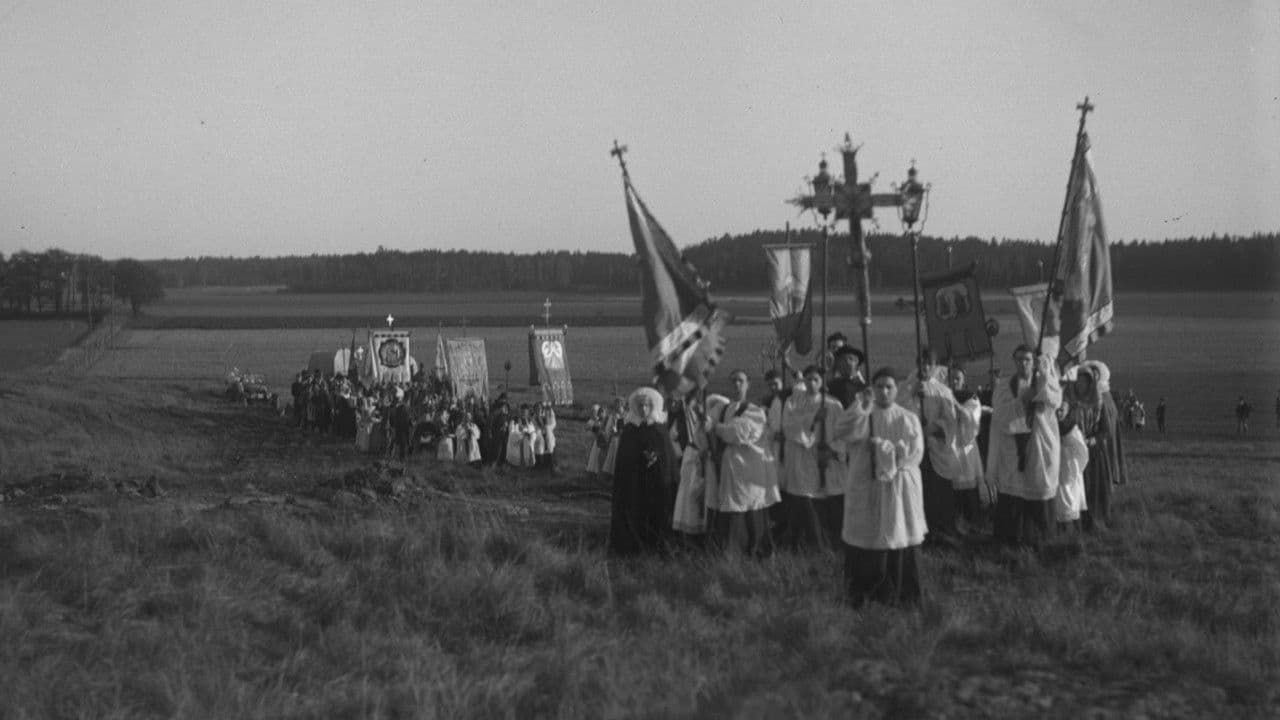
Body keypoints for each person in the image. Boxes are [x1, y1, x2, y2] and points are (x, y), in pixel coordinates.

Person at [837, 367, 926, 607]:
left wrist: (885, 450)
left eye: (889, 387)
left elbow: (914, 454)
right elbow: (842, 430)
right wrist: (861, 405)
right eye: (879, 387)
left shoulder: (907, 418)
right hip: (866, 486)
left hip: (897, 489)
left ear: (897, 389)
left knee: (896, 533)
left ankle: (899, 591)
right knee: (868, 535)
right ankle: (864, 592)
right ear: (871, 389)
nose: (884, 392)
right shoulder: (863, 414)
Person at [985, 345, 1062, 548]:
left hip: (1039, 446)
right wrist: (1022, 401)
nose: (1023, 363)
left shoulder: (1044, 383)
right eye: (1019, 359)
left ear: (1034, 362)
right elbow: (1000, 417)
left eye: (1027, 359)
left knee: (1038, 490)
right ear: (1014, 361)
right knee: (1013, 495)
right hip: (1012, 449)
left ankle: (1040, 539)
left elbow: (1055, 400)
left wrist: (1042, 379)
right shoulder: (1004, 387)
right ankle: (1010, 540)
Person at [707, 370, 781, 557]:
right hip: (729, 468)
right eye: (733, 381)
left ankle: (758, 550)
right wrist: (705, 423)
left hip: (750, 469)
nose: (736, 385)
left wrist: (715, 427)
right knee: (732, 509)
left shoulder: (755, 411)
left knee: (751, 507)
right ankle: (734, 552)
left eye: (740, 381)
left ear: (748, 384)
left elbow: (742, 433)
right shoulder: (723, 409)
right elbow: (707, 432)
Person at [780, 365, 846, 551]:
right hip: (801, 460)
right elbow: (789, 426)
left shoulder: (833, 404)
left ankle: (832, 546)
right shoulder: (793, 402)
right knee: (806, 503)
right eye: (808, 379)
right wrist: (813, 418)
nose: (811, 383)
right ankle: (808, 546)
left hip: (826, 461)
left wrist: (833, 451)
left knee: (828, 503)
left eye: (816, 379)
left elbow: (842, 433)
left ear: (822, 381)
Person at [608, 387, 680, 557]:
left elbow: (668, 459)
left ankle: (657, 544)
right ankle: (632, 544)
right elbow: (625, 460)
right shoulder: (630, 431)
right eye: (640, 405)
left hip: (656, 482)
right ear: (635, 407)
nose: (644, 409)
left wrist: (656, 458)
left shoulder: (660, 430)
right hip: (635, 482)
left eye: (647, 405)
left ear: (653, 406)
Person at [901, 349, 962, 545]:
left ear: (934, 366)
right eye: (922, 363)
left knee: (938, 493)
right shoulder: (906, 388)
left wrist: (933, 429)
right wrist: (913, 397)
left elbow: (951, 421)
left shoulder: (942, 391)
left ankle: (941, 529)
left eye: (929, 364)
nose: (925, 367)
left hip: (936, 449)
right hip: (914, 451)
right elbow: (899, 414)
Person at [1074, 361, 1126, 531]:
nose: (1082, 384)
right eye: (1079, 380)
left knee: (1096, 488)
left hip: (1095, 452)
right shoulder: (1071, 403)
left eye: (1085, 381)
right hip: (1075, 450)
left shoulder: (1099, 403)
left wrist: (1093, 440)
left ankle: (1098, 521)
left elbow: (1105, 430)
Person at [948, 365, 990, 526]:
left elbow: (971, 419)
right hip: (949, 447)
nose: (954, 382)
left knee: (969, 482)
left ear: (963, 381)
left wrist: (955, 405)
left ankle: (973, 520)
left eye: (957, 378)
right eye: (951, 378)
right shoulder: (944, 396)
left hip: (966, 448)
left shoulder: (971, 398)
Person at [671, 394, 714, 538]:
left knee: (700, 493)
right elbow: (673, 436)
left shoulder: (706, 418)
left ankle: (701, 530)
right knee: (688, 495)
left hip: (702, 456)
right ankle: (689, 530)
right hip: (690, 456)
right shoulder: (682, 417)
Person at [1055, 399, 1089, 531]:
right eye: (1056, 410)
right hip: (1058, 470)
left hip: (1069, 470)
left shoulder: (1072, 429)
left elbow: (1082, 452)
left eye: (1061, 410)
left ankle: (1071, 532)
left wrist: (1073, 467)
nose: (1058, 413)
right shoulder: (1053, 425)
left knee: (1069, 500)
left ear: (1067, 410)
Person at [505, 404, 538, 468]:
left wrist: (529, 433)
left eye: (525, 413)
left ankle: (528, 463)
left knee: (530, 439)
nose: (524, 414)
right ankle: (518, 464)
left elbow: (532, 430)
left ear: (528, 413)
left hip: (527, 441)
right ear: (520, 412)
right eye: (522, 412)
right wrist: (523, 434)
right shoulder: (514, 421)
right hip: (517, 441)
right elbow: (511, 433)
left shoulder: (529, 421)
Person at [585, 404, 607, 480]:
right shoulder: (596, 421)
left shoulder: (606, 421)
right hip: (597, 440)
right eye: (599, 412)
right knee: (594, 455)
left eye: (602, 412)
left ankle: (599, 472)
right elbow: (594, 429)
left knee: (600, 456)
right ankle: (593, 471)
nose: (600, 414)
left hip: (603, 440)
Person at [535, 402, 557, 472]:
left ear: (542, 409)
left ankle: (551, 462)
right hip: (538, 434)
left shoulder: (547, 414)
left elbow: (553, 424)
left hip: (547, 433)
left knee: (549, 438)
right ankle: (541, 463)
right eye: (536, 408)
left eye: (539, 408)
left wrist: (547, 427)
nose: (538, 409)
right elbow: (534, 428)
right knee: (541, 441)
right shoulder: (533, 417)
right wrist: (541, 430)